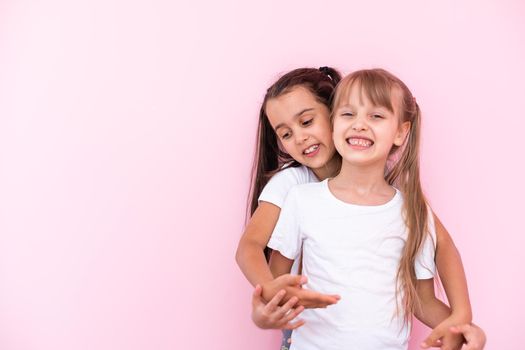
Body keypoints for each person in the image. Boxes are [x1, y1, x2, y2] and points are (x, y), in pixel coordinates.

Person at [235, 67, 478, 349]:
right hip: (309, 331)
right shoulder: (295, 188)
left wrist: (462, 319)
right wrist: (272, 294)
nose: (299, 138)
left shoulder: (392, 192)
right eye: (286, 134)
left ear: (331, 114)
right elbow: (250, 248)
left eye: (307, 121)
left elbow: (442, 247)